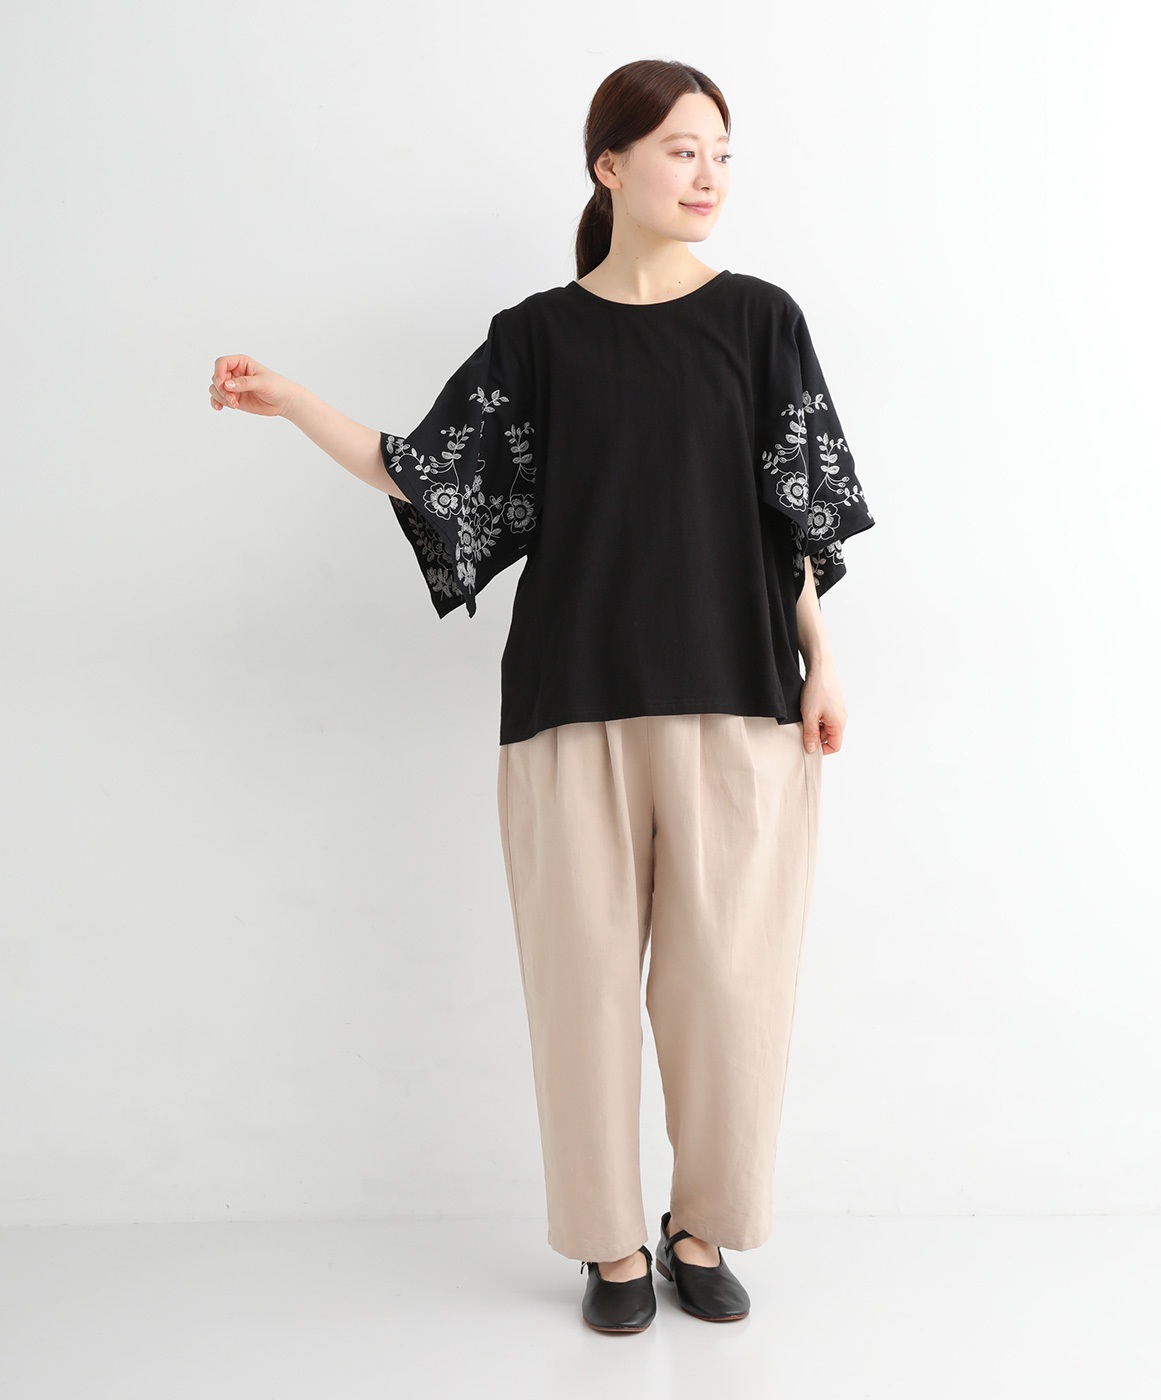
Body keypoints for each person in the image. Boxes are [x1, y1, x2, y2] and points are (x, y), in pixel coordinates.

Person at [207, 58, 875, 1335]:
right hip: (570, 709)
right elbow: (428, 475)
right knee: (581, 994)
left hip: (742, 702)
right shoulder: (539, 337)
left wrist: (823, 658)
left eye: (721, 153)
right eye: (681, 150)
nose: (708, 176)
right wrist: (290, 401)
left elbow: (794, 519)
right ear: (609, 165)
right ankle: (610, 1244)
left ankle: (698, 1225)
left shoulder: (761, 321)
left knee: (731, 994)